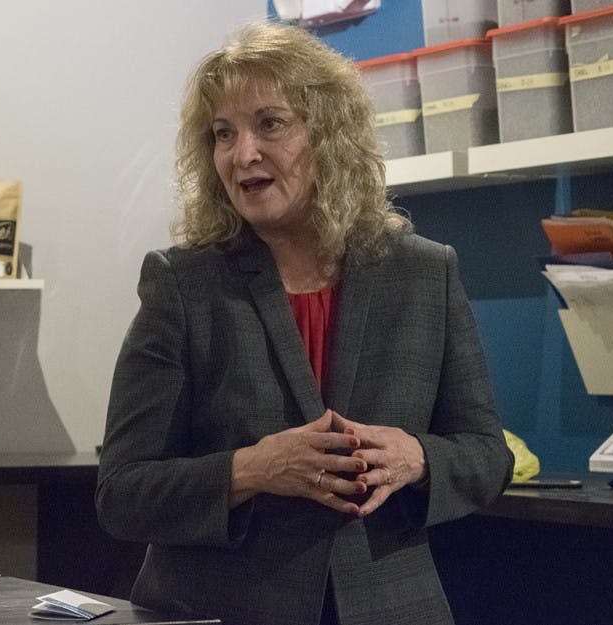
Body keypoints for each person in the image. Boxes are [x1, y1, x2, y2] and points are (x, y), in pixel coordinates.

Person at [95, 21, 514, 625]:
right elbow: (123, 493)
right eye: (223, 134)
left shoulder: (426, 273)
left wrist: (415, 457)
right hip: (218, 610)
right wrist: (255, 469)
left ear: (331, 133)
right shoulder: (182, 285)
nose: (243, 154)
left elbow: (486, 456)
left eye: (270, 123)